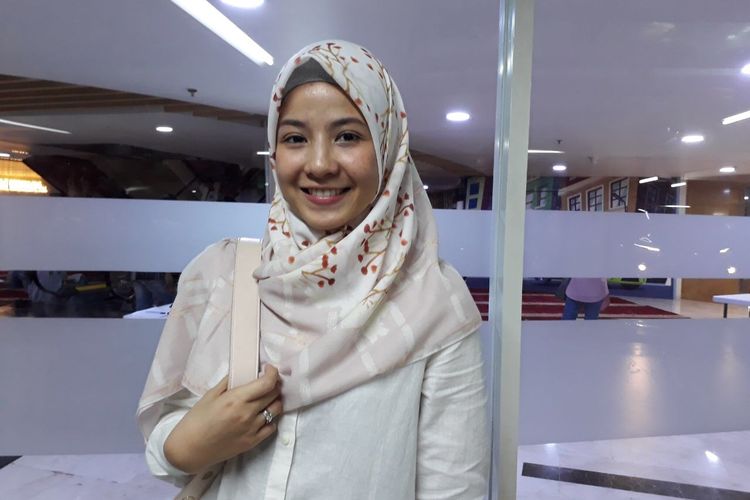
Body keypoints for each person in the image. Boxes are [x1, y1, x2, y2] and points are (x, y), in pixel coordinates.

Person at [136, 40, 489, 499]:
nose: (320, 165)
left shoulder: (432, 299)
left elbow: (454, 489)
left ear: (388, 149)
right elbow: (167, 442)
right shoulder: (223, 274)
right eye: (295, 138)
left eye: (348, 136)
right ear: (274, 152)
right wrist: (189, 445)